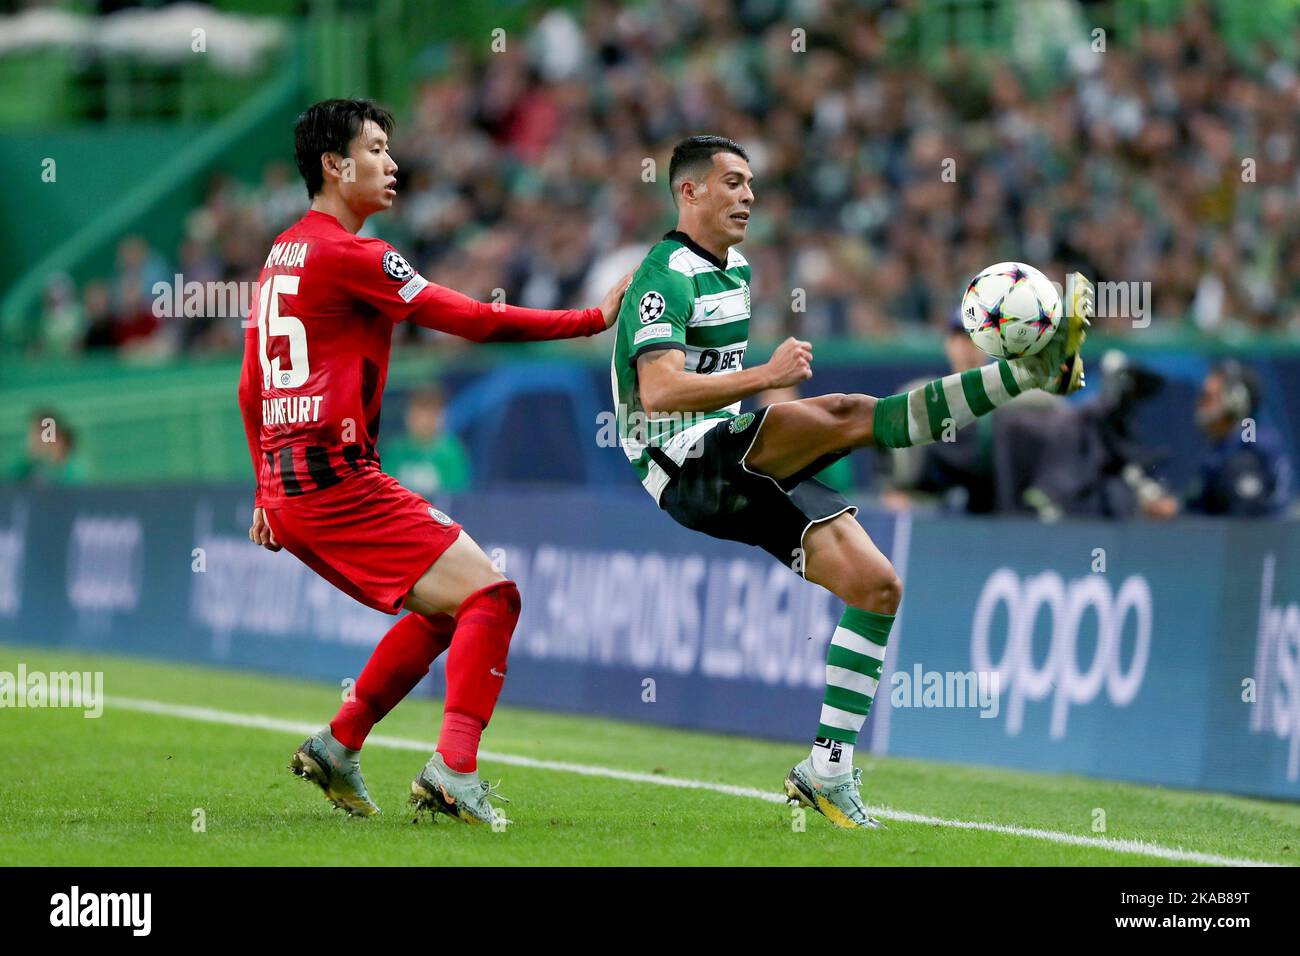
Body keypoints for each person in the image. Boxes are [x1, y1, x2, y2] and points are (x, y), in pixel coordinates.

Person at [610, 135, 1092, 828]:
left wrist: (755, 389)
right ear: (689, 192)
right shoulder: (667, 273)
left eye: (752, 183)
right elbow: (657, 394)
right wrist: (768, 378)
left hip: (726, 459)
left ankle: (827, 771)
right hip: (678, 462)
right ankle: (1029, 374)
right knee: (846, 413)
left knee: (877, 586)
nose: (749, 196)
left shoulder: (738, 269)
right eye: (733, 182)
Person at [238, 99, 629, 825]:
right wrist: (589, 320)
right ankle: (453, 770)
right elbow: (474, 320)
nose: (393, 164)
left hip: (295, 489)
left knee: (452, 609)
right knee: (493, 597)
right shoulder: (357, 254)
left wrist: (264, 490)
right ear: (334, 164)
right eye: (378, 149)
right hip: (336, 478)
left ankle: (339, 742)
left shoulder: (280, 254)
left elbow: (250, 386)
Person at [1144, 360, 1292, 519]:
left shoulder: (1245, 460)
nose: (1198, 404)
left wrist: (1179, 515)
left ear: (1236, 401)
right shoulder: (1224, 452)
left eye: (1207, 397)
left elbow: (1241, 529)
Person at [382, 385, 472, 498]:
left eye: (432, 412)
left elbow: (457, 495)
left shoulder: (450, 452)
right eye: (419, 412)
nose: (425, 420)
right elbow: (384, 491)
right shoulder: (396, 450)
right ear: (408, 415)